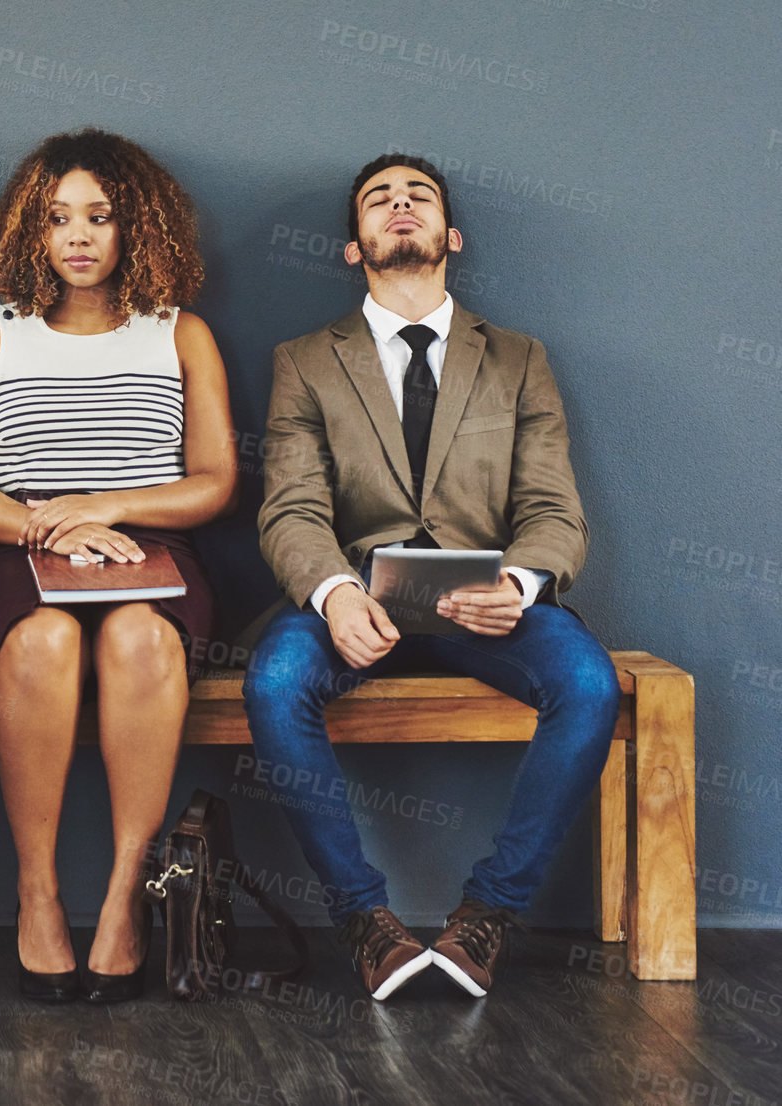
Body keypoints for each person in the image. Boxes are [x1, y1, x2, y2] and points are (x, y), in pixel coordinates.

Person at [243, 153, 620, 1000]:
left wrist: (519, 587)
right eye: (378, 199)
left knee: (591, 686)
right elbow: (291, 509)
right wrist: (335, 594)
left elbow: (555, 511)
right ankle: (363, 923)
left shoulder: (519, 358)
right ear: (354, 247)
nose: (398, 204)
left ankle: (485, 916)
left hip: (492, 606)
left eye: (418, 196)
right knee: (272, 681)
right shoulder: (304, 360)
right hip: (351, 600)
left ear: (451, 235)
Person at [0, 128, 237, 1004]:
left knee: (143, 641)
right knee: (44, 646)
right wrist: (47, 528)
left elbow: (215, 482)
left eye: (98, 218)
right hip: (20, 552)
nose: (76, 236)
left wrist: (106, 508)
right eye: (56, 218)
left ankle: (121, 899)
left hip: (156, 550)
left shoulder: (181, 334)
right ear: (28, 232)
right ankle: (37, 896)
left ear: (133, 229)